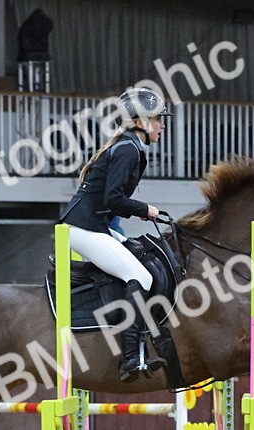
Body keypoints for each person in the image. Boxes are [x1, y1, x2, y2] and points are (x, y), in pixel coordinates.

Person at [58, 87, 172, 382]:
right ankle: (130, 358)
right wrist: (145, 209)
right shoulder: (127, 149)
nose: (163, 125)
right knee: (142, 278)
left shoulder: (129, 146)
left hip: (91, 226)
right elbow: (113, 199)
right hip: (82, 229)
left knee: (142, 256)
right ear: (139, 121)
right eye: (158, 119)